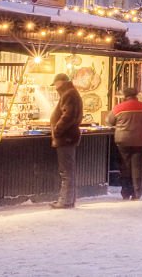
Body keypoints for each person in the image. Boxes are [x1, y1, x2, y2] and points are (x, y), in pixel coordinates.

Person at [108, 86, 142, 200]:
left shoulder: (118, 108)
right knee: (137, 167)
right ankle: (136, 193)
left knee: (125, 166)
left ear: (125, 96)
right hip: (140, 141)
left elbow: (109, 122)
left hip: (122, 140)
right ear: (136, 95)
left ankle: (125, 192)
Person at [49, 73, 83, 209]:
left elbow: (68, 116)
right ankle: (68, 200)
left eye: (56, 84)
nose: (55, 87)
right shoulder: (70, 93)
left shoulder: (69, 94)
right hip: (68, 136)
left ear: (61, 82)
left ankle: (65, 201)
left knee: (66, 171)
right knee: (68, 170)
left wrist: (57, 131)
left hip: (65, 137)